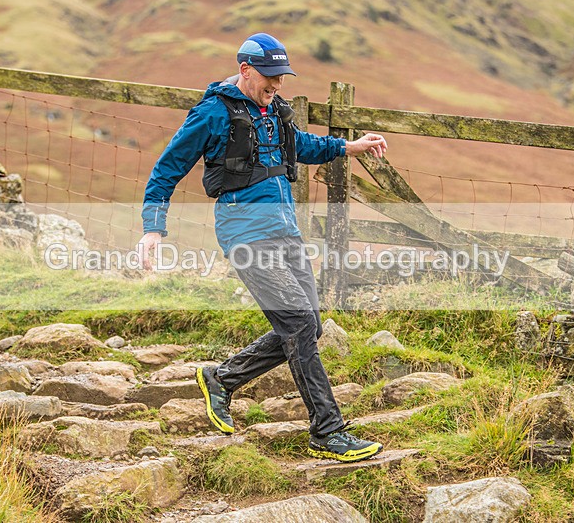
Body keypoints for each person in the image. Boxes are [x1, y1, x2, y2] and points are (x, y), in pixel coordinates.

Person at [137, 33, 388, 462]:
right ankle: (328, 431)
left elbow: (303, 147)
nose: (276, 85)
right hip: (245, 234)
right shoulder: (211, 114)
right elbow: (166, 170)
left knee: (309, 325)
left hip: (286, 231)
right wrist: (153, 229)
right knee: (298, 325)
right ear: (245, 69)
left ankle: (222, 378)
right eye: (269, 77)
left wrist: (351, 146)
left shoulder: (275, 111)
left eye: (281, 77)